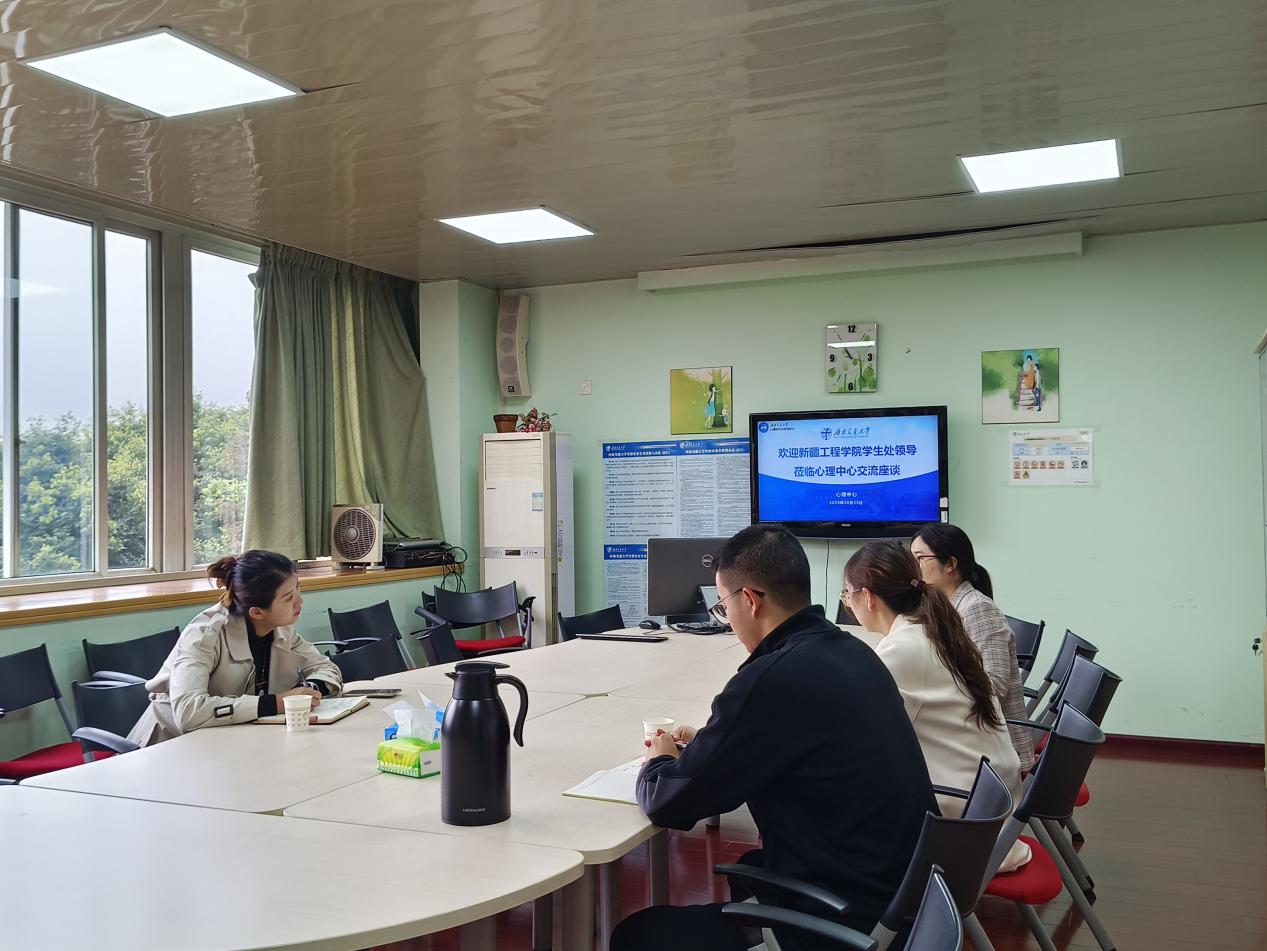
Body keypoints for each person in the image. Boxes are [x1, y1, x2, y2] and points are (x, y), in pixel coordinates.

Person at [611, 526, 937, 951]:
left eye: (723, 607)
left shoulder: (771, 679)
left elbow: (669, 802)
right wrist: (714, 743)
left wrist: (659, 759)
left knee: (637, 935)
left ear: (749, 600)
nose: (727, 621)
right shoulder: (853, 652)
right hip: (900, 898)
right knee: (751, 867)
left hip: (845, 917)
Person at [842, 541, 1029, 871]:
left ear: (867, 597)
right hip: (990, 804)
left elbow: (854, 733)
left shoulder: (903, 650)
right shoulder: (934, 631)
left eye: (846, 593)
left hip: (967, 823)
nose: (846, 602)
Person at [127, 550, 343, 747]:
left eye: (298, 590)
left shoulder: (282, 630)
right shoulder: (204, 634)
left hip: (222, 745)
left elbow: (326, 668)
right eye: (288, 598)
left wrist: (308, 690)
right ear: (257, 612)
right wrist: (275, 703)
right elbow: (188, 711)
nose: (300, 601)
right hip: (165, 746)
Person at [911, 524, 1034, 771]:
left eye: (920, 558)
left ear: (950, 564)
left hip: (995, 748)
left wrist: (937, 686)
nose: (913, 567)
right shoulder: (945, 606)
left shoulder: (976, 608)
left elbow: (995, 685)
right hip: (972, 733)